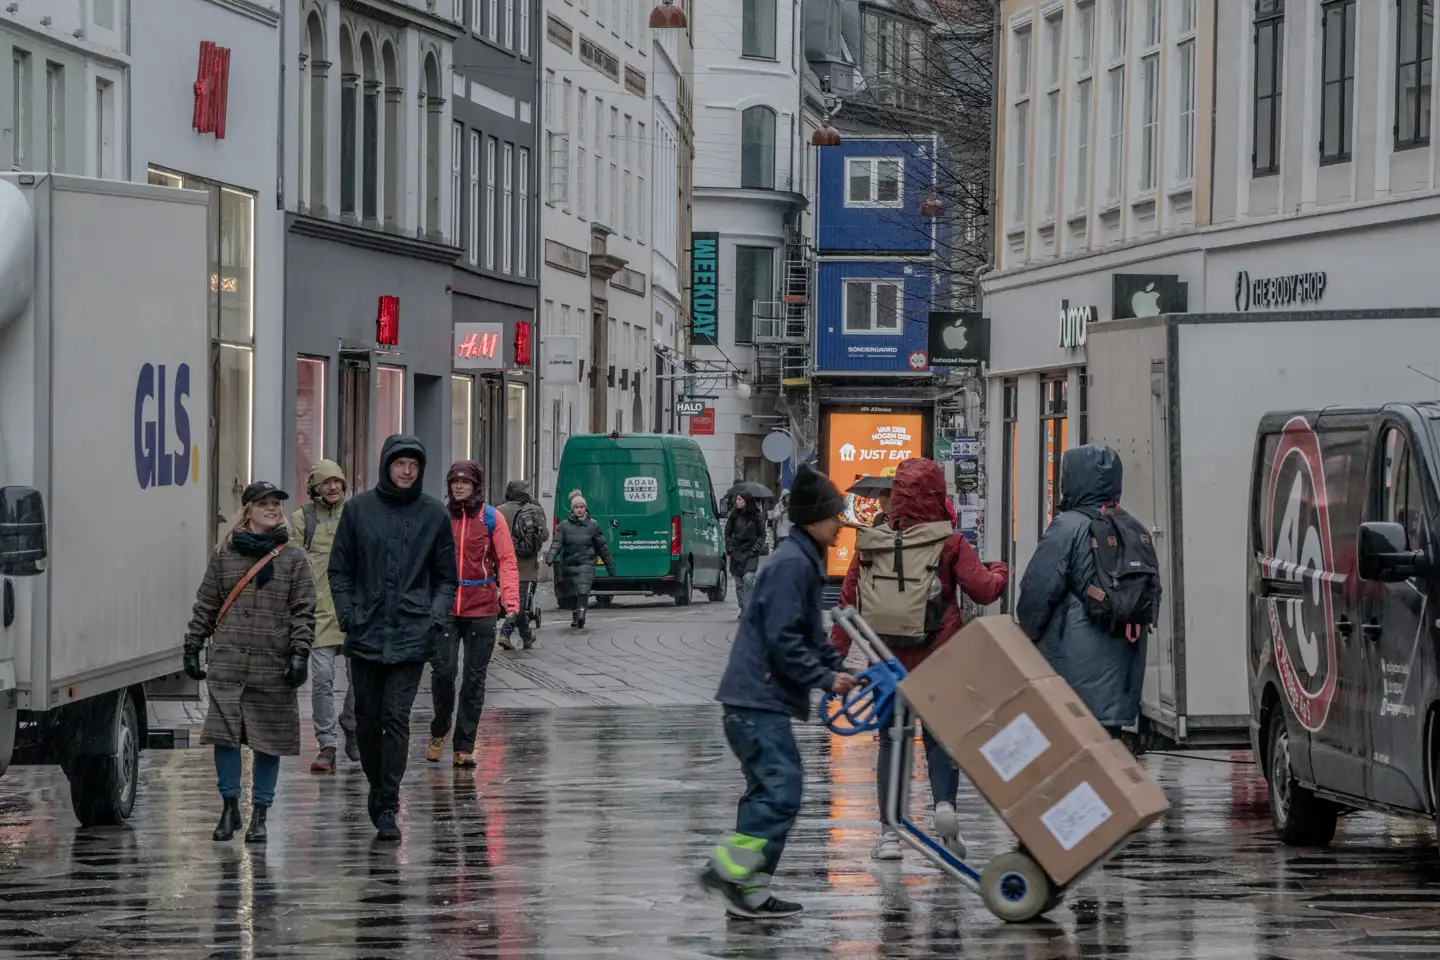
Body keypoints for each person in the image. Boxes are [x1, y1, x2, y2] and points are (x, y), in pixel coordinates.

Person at [699, 465, 860, 920]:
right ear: (814, 519)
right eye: (835, 516)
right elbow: (785, 640)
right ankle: (729, 869)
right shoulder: (793, 565)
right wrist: (827, 678)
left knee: (766, 793)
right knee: (782, 790)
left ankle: (749, 892)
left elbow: (807, 637)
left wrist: (838, 669)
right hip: (757, 701)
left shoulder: (801, 559)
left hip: (754, 700)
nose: (841, 523)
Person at [830, 458, 1008, 862]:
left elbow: (847, 604)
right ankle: (944, 809)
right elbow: (982, 590)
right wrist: (1000, 570)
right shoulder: (949, 542)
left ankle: (889, 834)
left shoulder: (871, 542)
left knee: (892, 742)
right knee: (941, 738)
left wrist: (835, 660)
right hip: (940, 657)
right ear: (936, 494)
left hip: (885, 658)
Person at [329, 435, 457, 842]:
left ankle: (388, 804)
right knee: (366, 721)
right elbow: (340, 569)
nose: (406, 471)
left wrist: (434, 616)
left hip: (412, 631)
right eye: (400, 463)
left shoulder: (433, 515)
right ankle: (376, 784)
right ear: (386, 465)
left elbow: (445, 577)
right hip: (366, 631)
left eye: (414, 465)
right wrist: (348, 613)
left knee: (395, 718)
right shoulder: (358, 510)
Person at [184, 481, 316, 844]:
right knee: (224, 737)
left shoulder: (293, 558)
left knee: (268, 740)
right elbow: (207, 602)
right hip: (228, 663)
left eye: (276, 503)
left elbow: (304, 611)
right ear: (248, 510)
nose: (272, 509)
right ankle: (229, 807)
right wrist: (193, 644)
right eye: (264, 504)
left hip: (272, 665)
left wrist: (300, 652)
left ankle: (260, 814)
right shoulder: (225, 554)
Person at [1017, 444, 1146, 739]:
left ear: (1072, 480)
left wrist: (1028, 634)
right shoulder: (1131, 528)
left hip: (1073, 673)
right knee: (1103, 759)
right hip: (1122, 673)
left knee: (1069, 761)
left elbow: (1037, 593)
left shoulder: (1067, 527)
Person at [426, 461, 520, 768]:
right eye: (454, 482)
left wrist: (510, 600)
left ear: (476, 486)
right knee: (443, 672)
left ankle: (464, 746)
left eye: (465, 482)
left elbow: (505, 560)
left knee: (474, 680)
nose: (458, 486)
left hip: (481, 606)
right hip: (446, 606)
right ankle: (440, 729)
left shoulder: (492, 518)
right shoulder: (439, 517)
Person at [289, 459, 358, 773]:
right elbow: (288, 565)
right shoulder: (302, 520)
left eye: (337, 482)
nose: (332, 487)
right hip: (318, 616)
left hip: (355, 612)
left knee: (363, 682)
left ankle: (352, 724)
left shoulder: (357, 515)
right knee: (322, 681)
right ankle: (327, 743)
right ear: (314, 487)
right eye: (325, 482)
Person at [547, 492, 615, 629]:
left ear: (585, 508)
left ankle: (581, 613)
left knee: (583, 589)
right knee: (572, 591)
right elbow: (557, 543)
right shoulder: (564, 525)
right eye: (576, 507)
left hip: (586, 562)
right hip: (570, 562)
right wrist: (550, 557)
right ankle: (574, 612)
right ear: (572, 509)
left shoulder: (593, 525)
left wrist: (610, 565)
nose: (579, 509)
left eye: (582, 507)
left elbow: (602, 547)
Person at [497, 479, 549, 650]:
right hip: (526, 564)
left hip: (504, 562)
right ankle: (505, 633)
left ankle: (526, 636)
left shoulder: (499, 511)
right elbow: (545, 535)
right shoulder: (533, 510)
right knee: (518, 602)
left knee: (512, 600)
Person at [724, 493, 766, 617]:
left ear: (746, 501)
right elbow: (727, 533)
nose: (736, 501)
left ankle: (749, 608)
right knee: (738, 583)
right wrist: (730, 548)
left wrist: (755, 549)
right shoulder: (733, 516)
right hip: (737, 552)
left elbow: (762, 536)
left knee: (748, 578)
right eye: (736, 499)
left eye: (739, 499)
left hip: (751, 552)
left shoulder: (756, 517)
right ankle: (743, 607)